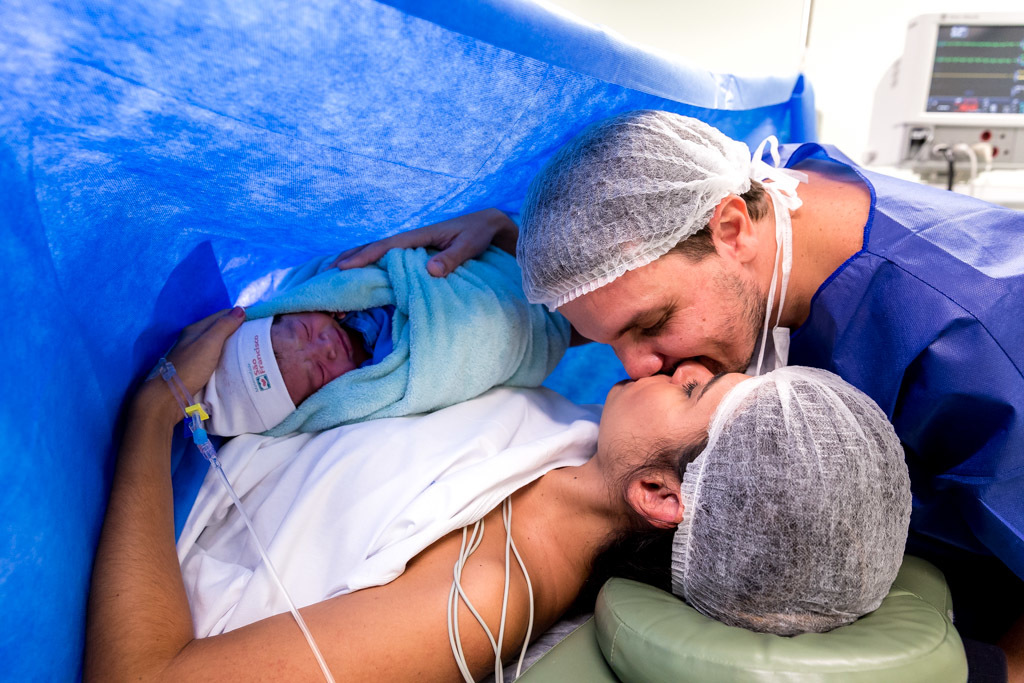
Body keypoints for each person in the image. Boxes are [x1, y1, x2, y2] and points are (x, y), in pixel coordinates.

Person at [337, 110, 1024, 679]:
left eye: (651, 324)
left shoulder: (973, 350)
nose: (637, 369)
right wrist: (522, 246)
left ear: (732, 229)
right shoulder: (752, 188)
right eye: (606, 338)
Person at [85, 307, 910, 681]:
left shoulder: (482, 594)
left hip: (140, 520)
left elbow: (146, 677)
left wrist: (154, 414)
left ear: (660, 493)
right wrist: (497, 231)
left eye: (696, 389)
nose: (684, 365)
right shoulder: (580, 441)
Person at [199, 244, 570, 436]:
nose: (325, 346)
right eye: (319, 372)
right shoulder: (382, 379)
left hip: (499, 265)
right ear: (317, 403)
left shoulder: (332, 283)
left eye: (304, 331)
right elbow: (458, 348)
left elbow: (394, 261)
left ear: (287, 308)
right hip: (525, 321)